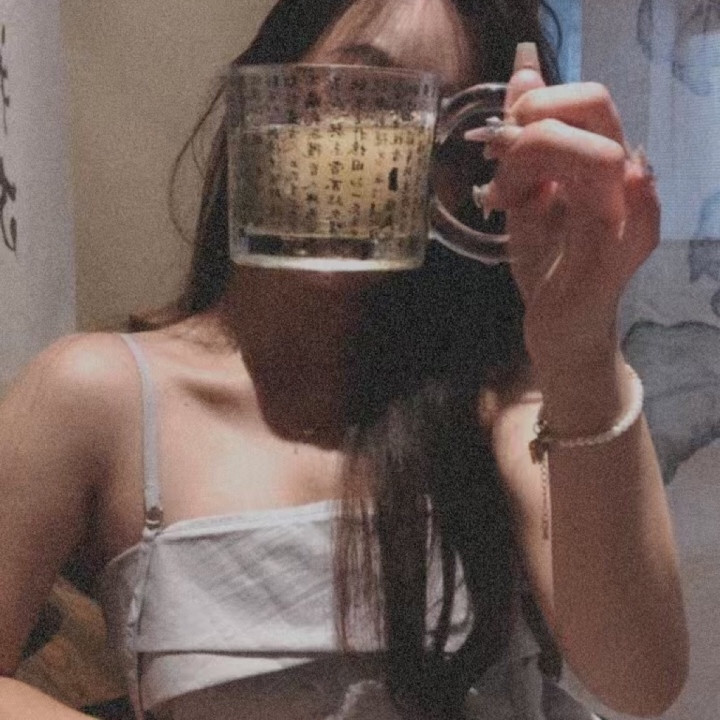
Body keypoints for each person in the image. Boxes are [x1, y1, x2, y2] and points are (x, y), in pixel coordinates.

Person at [0, 0, 689, 718]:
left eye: (451, 142)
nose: (390, 158)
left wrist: (579, 342)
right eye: (357, 95)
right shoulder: (100, 393)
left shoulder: (499, 402)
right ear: (256, 100)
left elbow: (640, 681)